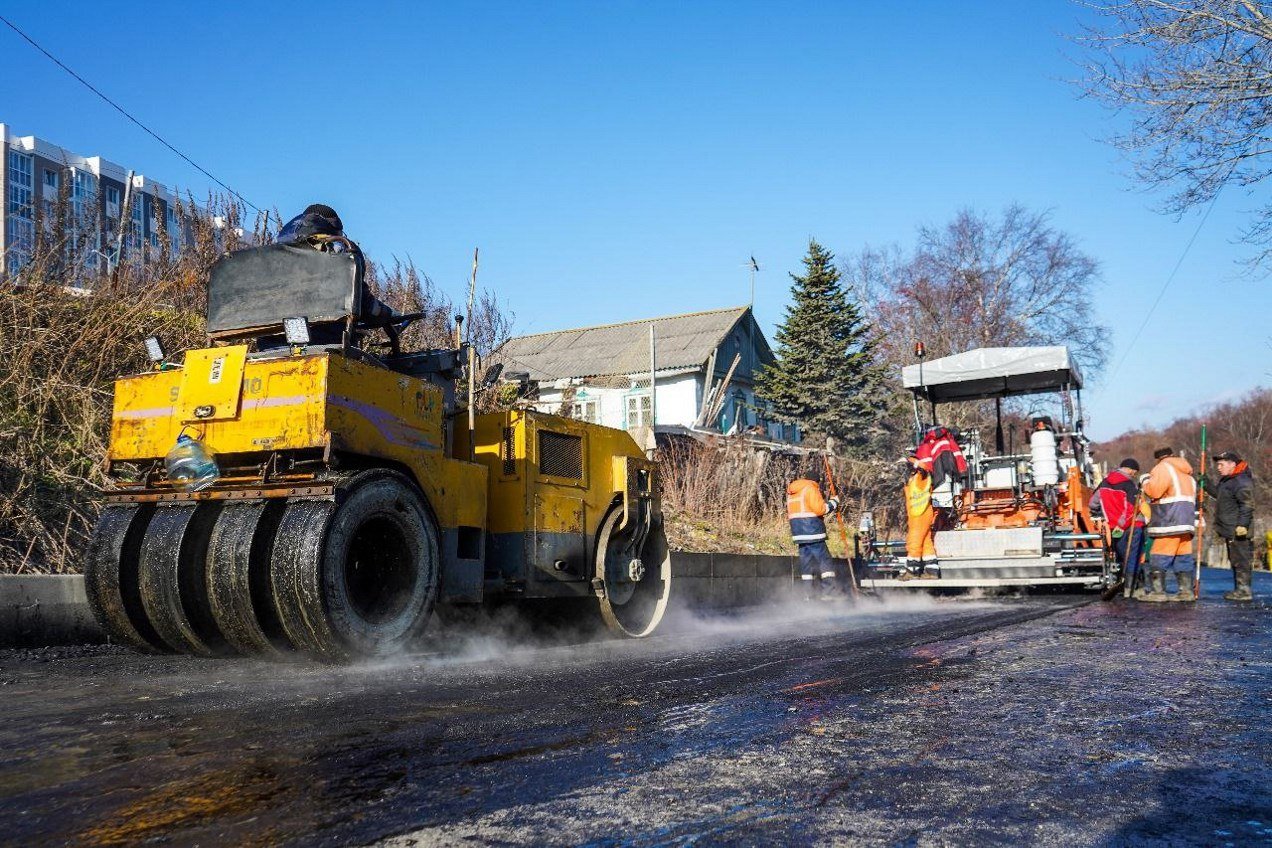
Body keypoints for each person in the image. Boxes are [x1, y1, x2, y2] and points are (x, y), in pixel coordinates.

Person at [276, 204, 399, 340]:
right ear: (335, 228)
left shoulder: (271, 257)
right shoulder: (338, 248)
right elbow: (360, 301)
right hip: (323, 340)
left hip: (268, 345)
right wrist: (386, 313)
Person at [1140, 446, 1198, 602]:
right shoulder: (1186, 473)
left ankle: (1158, 593)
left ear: (1159, 459)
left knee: (1159, 555)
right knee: (1183, 557)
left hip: (1169, 520)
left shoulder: (1163, 468)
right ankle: (1186, 592)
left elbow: (1154, 491)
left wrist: (1145, 480)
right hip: (1186, 522)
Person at [1092, 458, 1148, 592]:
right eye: (1134, 472)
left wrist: (1099, 514)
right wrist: (1121, 524)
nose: (1134, 475)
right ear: (1130, 470)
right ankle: (1131, 587)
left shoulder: (1104, 483)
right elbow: (1131, 509)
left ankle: (1124, 585)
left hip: (1113, 527)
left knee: (1121, 555)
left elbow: (1092, 503)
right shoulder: (1129, 485)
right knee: (1133, 556)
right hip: (1131, 526)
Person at [1208, 450, 1256, 601]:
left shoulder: (1242, 481)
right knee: (1235, 559)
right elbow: (1220, 495)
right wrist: (1206, 483)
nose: (1218, 468)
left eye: (1221, 464)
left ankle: (1244, 591)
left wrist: (1242, 524)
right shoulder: (1228, 480)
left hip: (1238, 528)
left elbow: (1247, 505)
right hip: (1229, 527)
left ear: (1232, 464)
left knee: (1241, 559)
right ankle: (1239, 589)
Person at [787, 469, 839, 600]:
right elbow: (820, 509)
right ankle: (828, 593)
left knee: (806, 564)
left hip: (798, 533)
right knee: (825, 562)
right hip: (813, 532)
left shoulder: (793, 491)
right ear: (816, 481)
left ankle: (807, 595)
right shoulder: (811, 488)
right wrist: (834, 502)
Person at [903, 453, 939, 579]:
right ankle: (932, 571)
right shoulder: (913, 479)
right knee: (926, 542)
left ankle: (912, 571)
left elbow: (924, 467)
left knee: (914, 541)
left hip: (921, 515)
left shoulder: (922, 476)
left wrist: (911, 460)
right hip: (917, 515)